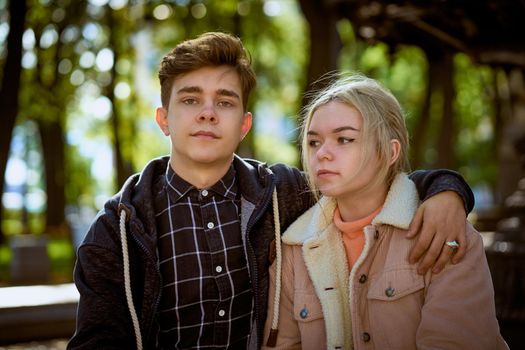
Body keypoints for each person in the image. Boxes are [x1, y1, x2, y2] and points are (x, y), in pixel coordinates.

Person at [68, 32, 475, 349]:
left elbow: (369, 180)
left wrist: (447, 191)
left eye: (224, 102)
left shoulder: (282, 193)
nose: (208, 112)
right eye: (191, 100)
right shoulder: (118, 231)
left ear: (243, 124)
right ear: (164, 120)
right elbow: (98, 341)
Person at [262, 74, 507, 349]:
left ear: (390, 153)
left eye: (344, 139)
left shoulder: (444, 232)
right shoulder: (294, 248)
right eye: (314, 142)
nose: (323, 154)